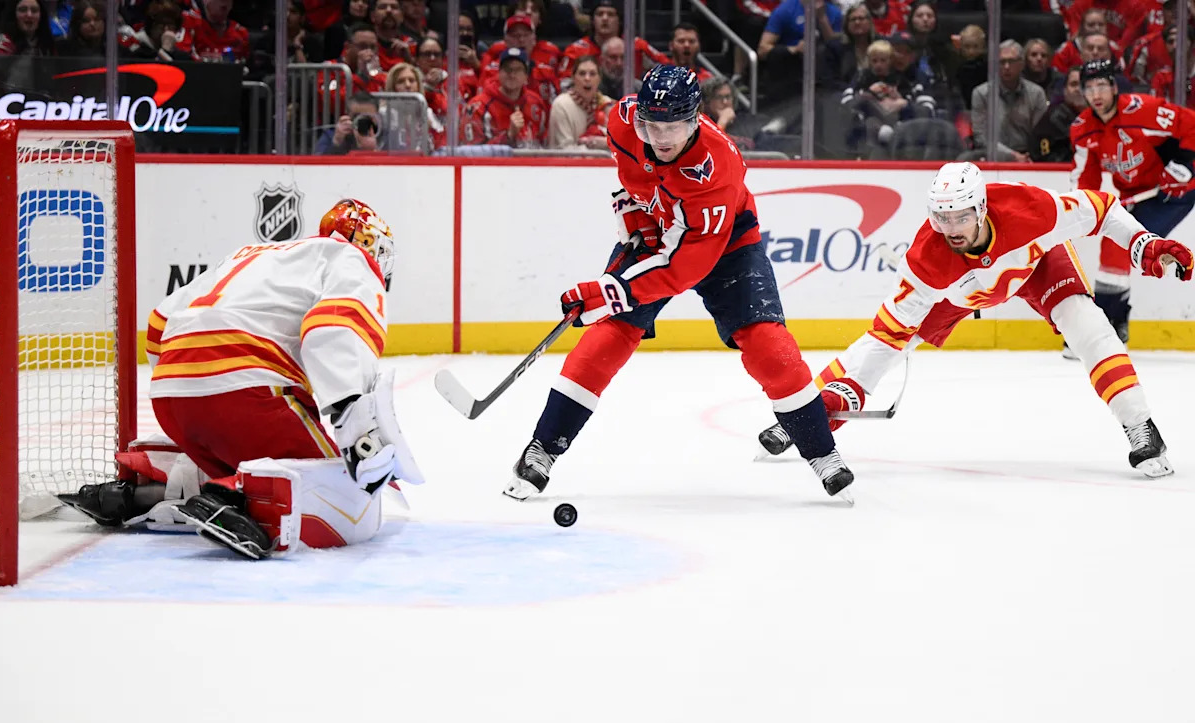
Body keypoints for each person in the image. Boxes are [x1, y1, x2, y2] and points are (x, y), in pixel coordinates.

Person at [504, 65, 855, 503]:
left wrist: (612, 291)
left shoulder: (718, 167)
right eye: (652, 126)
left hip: (724, 244)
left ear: (694, 120)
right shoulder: (622, 121)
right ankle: (542, 449)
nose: (661, 138)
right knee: (609, 336)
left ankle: (822, 452)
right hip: (658, 232)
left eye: (673, 127)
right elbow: (634, 173)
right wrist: (634, 208)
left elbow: (683, 267)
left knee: (768, 345)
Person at [757, 162, 1191, 478]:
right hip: (964, 288)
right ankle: (805, 417)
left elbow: (1103, 209)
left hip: (1036, 264)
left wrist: (1145, 244)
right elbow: (885, 338)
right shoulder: (928, 259)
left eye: (961, 216)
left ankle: (1140, 426)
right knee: (891, 346)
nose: (951, 227)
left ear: (981, 209)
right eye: (942, 217)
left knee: (1087, 324)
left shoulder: (1031, 209)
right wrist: (840, 394)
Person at [60, 200, 423, 560]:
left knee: (247, 454)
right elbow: (334, 329)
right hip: (248, 392)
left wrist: (192, 390)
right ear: (365, 242)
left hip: (172, 393)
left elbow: (158, 324)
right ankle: (231, 497)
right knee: (355, 503)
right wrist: (359, 434)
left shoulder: (248, 254)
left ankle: (151, 488)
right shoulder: (351, 259)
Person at [1070, 58, 1195, 343]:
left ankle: (1104, 325)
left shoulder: (1143, 110)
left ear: (1114, 87)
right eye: (1089, 88)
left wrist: (1184, 165)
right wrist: (1080, 208)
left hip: (1174, 193)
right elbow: (1085, 177)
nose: (1096, 94)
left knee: (1120, 245)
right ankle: (1113, 323)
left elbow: (1191, 125)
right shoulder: (1083, 128)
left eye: (1102, 86)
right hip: (1133, 194)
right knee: (1115, 245)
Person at [548, 54, 613, 149]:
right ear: (573, 78)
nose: (587, 78)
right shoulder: (561, 105)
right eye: (582, 73)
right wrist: (593, 146)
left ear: (599, 79)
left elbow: (622, 143)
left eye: (592, 74)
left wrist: (606, 143)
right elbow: (565, 150)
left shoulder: (606, 103)